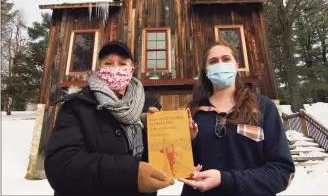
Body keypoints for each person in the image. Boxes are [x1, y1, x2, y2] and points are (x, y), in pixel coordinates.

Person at [44, 40, 174, 196]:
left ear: (131, 71)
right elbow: (61, 165)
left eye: (122, 64)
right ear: (100, 69)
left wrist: (176, 135)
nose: (115, 68)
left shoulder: (149, 104)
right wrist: (129, 174)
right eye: (108, 63)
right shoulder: (77, 105)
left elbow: (166, 158)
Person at [179, 40, 295, 196]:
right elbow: (177, 166)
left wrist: (225, 179)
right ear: (205, 71)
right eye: (213, 61)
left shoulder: (263, 107)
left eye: (226, 59)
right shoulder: (192, 112)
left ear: (236, 65)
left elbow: (282, 172)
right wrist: (185, 141)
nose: (220, 65)